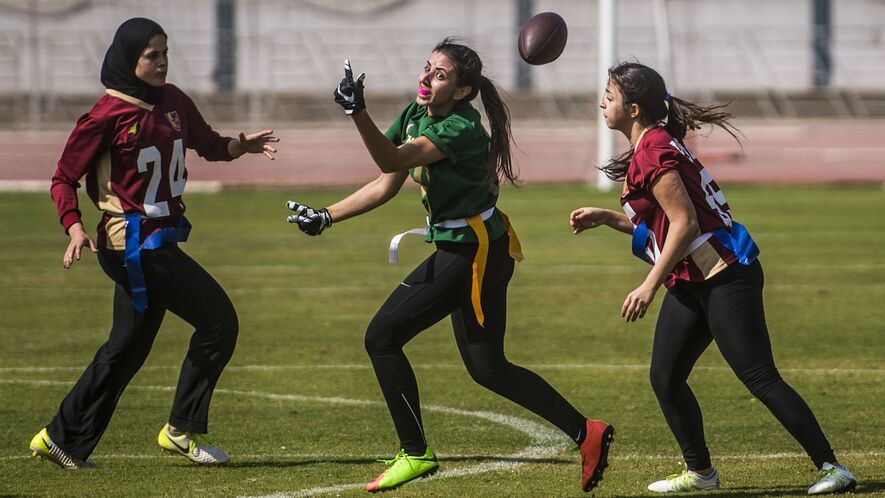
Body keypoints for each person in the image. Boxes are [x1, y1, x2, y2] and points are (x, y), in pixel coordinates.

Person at [285, 38, 614, 493]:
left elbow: (390, 157)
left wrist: (357, 113)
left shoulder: (461, 126)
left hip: (471, 253)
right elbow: (387, 182)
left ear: (462, 91)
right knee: (488, 367)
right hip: (481, 246)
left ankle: (415, 452)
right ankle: (586, 431)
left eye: (439, 75)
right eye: (426, 68)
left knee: (381, 338)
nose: (425, 78)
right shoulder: (418, 113)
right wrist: (327, 215)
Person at [569, 61, 856, 495]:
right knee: (665, 376)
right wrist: (609, 218)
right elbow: (671, 224)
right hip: (693, 278)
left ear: (632, 108)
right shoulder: (655, 143)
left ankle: (833, 468)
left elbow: (684, 225)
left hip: (725, 276)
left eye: (608, 96)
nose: (601, 103)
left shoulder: (654, 150)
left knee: (759, 376)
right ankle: (701, 473)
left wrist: (648, 286)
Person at [30, 17, 278, 469]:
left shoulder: (173, 100)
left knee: (125, 349)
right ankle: (181, 429)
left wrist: (239, 146)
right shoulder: (105, 115)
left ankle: (60, 437)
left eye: (165, 53)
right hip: (131, 244)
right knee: (219, 322)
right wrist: (74, 226)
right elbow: (63, 178)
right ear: (130, 58)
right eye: (152, 55)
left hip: (157, 241)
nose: (163, 62)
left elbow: (207, 143)